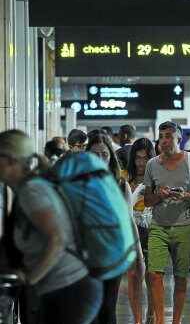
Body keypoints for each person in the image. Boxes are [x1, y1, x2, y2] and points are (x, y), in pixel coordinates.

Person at [0, 130, 103, 323]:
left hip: (70, 289)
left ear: (11, 159)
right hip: (69, 288)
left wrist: (28, 278)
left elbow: (57, 239)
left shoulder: (32, 191)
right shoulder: (28, 188)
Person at [142, 121, 190, 324]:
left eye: (168, 136)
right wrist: (160, 196)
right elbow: (147, 200)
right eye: (161, 136)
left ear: (179, 139)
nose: (164, 140)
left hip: (184, 226)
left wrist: (185, 196)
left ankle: (176, 321)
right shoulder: (152, 164)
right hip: (159, 226)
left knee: (180, 278)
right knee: (154, 274)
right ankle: (161, 320)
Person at [87, 133, 145, 324]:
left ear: (111, 155)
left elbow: (129, 220)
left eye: (104, 154)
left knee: (107, 309)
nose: (100, 159)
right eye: (95, 154)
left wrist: (139, 256)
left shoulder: (120, 185)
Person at [126, 138, 156, 324]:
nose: (141, 163)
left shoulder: (157, 177)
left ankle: (150, 315)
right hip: (130, 231)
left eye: (145, 159)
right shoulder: (125, 178)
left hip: (153, 230)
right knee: (133, 275)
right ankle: (137, 319)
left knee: (152, 276)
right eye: (137, 158)